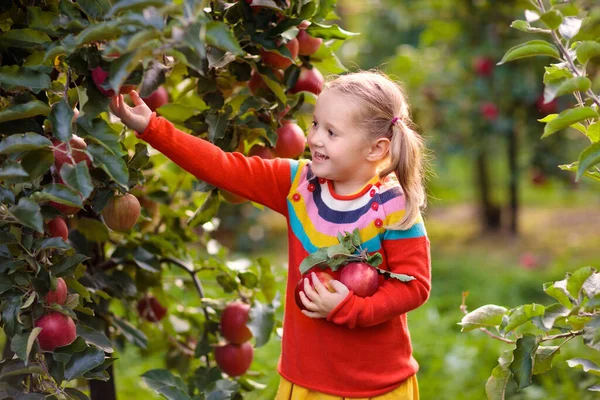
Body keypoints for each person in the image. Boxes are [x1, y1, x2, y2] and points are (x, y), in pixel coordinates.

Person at [110, 70, 431, 400]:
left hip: (377, 387)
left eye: (332, 132)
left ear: (376, 149)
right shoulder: (298, 185)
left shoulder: (393, 206)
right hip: (304, 382)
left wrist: (351, 308)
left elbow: (415, 285)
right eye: (316, 124)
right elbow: (224, 167)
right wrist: (153, 128)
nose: (316, 138)